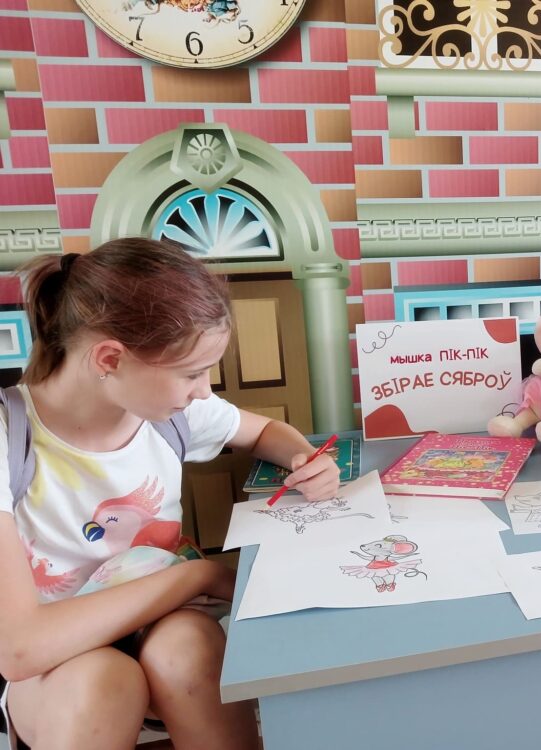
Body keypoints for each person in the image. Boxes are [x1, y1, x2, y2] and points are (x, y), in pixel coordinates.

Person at [0, 238, 342, 750]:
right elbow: (20, 649)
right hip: (58, 666)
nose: (204, 390)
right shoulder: (10, 436)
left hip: (165, 628)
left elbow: (264, 431)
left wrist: (304, 458)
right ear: (110, 358)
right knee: (102, 682)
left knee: (189, 650)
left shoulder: (170, 413)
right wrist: (197, 575)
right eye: (192, 373)